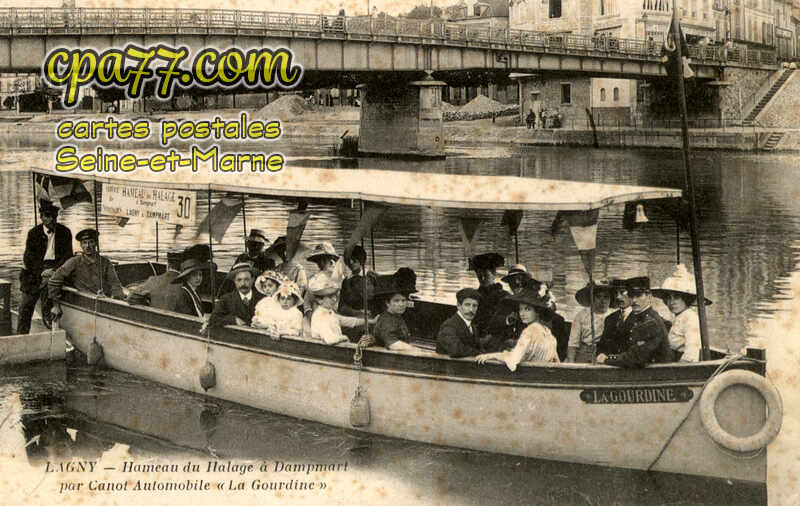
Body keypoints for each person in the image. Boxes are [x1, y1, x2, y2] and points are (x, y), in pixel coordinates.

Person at [17, 200, 72, 334]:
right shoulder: (33, 233)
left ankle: (50, 329)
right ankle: (21, 335)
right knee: (26, 305)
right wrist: (42, 271)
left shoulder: (65, 232)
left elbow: (67, 256)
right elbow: (28, 258)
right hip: (35, 273)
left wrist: (55, 271)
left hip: (56, 269)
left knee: (49, 303)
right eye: (47, 216)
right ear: (41, 217)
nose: (51, 219)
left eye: (53, 216)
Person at [475, 287, 560, 371]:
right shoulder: (546, 330)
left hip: (531, 376)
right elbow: (556, 361)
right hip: (542, 374)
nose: (522, 314)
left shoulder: (530, 331)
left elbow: (513, 359)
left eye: (527, 309)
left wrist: (490, 356)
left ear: (537, 312)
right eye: (520, 309)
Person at [49, 229, 124, 320]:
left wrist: (116, 299)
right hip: (84, 305)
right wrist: (56, 305)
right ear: (81, 245)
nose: (87, 246)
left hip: (105, 302)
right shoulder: (74, 262)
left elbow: (115, 284)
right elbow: (54, 280)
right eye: (84, 243)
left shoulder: (105, 262)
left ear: (96, 244)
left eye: (91, 242)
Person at [596, 277, 671, 368]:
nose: (634, 300)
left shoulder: (651, 322)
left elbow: (636, 357)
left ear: (649, 295)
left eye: (638, 296)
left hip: (656, 375)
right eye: (631, 296)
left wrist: (607, 359)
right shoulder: (639, 317)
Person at [653, 264, 711, 362]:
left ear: (685, 299)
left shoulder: (690, 318)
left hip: (681, 365)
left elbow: (691, 354)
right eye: (668, 298)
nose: (671, 302)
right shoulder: (679, 316)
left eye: (676, 297)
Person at [369, 268, 420, 351]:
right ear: (387, 303)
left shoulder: (396, 316)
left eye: (403, 301)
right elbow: (392, 344)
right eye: (396, 301)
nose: (401, 304)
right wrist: (416, 350)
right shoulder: (386, 320)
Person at [310, 282, 375, 345]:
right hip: (327, 352)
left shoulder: (329, 312)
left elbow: (348, 321)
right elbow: (330, 339)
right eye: (330, 297)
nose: (334, 299)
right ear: (320, 300)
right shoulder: (320, 316)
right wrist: (344, 337)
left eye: (335, 296)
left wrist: (371, 321)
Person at [470, 253, 510, 351]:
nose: (482, 278)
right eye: (479, 274)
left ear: (494, 274)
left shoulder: (504, 296)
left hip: (496, 340)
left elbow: (505, 323)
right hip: (477, 339)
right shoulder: (473, 295)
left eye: (485, 274)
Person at [565, 281, 612, 363]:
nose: (602, 301)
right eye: (598, 297)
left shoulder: (613, 316)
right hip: (585, 352)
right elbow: (573, 343)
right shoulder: (581, 315)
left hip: (605, 353)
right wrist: (571, 362)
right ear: (592, 298)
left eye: (606, 297)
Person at [209, 262, 264, 329]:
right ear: (234, 281)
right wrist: (233, 319)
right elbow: (213, 319)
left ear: (253, 280)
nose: (243, 284)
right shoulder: (226, 299)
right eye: (239, 280)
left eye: (246, 279)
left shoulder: (262, 299)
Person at [436, 288, 483, 358]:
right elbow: (456, 350)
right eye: (467, 305)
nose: (471, 310)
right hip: (446, 367)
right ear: (458, 306)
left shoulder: (472, 326)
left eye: (474, 306)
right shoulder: (449, 326)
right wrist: (481, 354)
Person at [596, 278, 632, 356]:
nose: (618, 297)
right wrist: (601, 355)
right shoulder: (610, 318)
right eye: (616, 293)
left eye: (622, 292)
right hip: (609, 365)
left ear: (632, 294)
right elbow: (602, 346)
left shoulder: (641, 317)